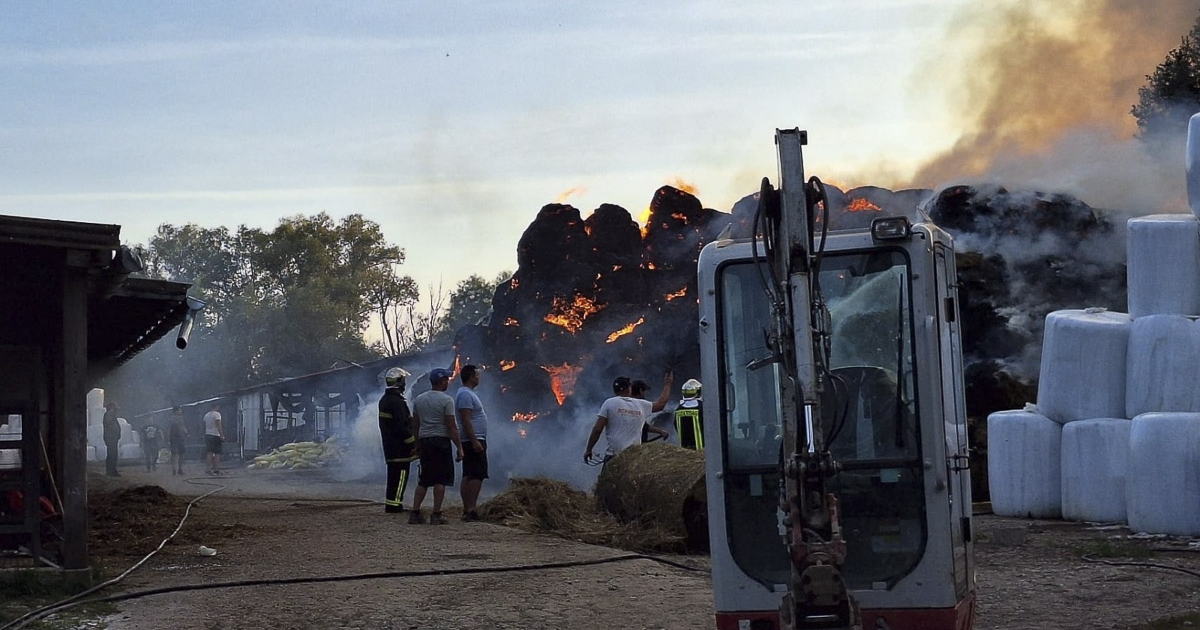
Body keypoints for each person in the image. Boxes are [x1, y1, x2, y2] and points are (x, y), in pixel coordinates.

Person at [409, 368, 464, 525]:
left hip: (425, 441)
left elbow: (415, 424)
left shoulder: (419, 399)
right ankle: (436, 514)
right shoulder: (447, 400)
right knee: (441, 480)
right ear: (442, 381)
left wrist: (417, 444)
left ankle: (415, 512)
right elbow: (451, 426)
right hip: (441, 442)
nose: (448, 381)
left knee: (424, 479)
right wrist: (459, 447)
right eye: (446, 379)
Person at [584, 372, 673, 464]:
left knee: (609, 478)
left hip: (614, 456)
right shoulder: (640, 404)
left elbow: (597, 430)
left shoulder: (609, 403)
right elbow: (661, 404)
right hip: (634, 457)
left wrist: (589, 449)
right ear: (628, 389)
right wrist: (668, 385)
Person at [378, 367, 417, 514]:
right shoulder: (397, 402)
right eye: (404, 380)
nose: (405, 383)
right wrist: (412, 443)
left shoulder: (385, 400)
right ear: (399, 382)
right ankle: (395, 505)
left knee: (393, 477)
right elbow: (402, 427)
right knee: (400, 476)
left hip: (390, 446)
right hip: (399, 449)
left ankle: (391, 503)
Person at [455, 364, 488, 522]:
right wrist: (474, 441)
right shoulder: (465, 395)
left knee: (470, 473)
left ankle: (468, 509)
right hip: (472, 440)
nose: (478, 377)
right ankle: (471, 509)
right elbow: (465, 419)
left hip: (472, 439)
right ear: (470, 377)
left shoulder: (467, 393)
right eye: (477, 374)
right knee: (476, 474)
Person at [674, 378, 704, 450]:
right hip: (702, 450)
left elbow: (676, 426)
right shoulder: (703, 407)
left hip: (685, 449)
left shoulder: (679, 409)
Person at [203, 404, 225, 476]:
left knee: (209, 452)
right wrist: (221, 434)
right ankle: (216, 469)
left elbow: (204, 425)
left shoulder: (206, 415)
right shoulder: (217, 414)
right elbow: (218, 424)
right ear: (217, 407)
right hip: (215, 435)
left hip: (208, 434)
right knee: (217, 453)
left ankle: (208, 469)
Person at [168, 406, 188, 476]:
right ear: (176, 411)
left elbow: (182, 426)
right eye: (180, 410)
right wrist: (168, 438)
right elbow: (169, 428)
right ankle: (174, 469)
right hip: (174, 438)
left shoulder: (181, 418)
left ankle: (179, 469)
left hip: (180, 438)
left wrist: (185, 431)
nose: (181, 411)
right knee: (174, 454)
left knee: (181, 454)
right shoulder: (171, 419)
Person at [103, 402, 121, 477]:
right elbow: (110, 425)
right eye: (114, 407)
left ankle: (112, 470)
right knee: (112, 454)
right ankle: (111, 471)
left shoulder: (111, 415)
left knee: (113, 454)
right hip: (111, 438)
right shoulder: (109, 415)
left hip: (112, 437)